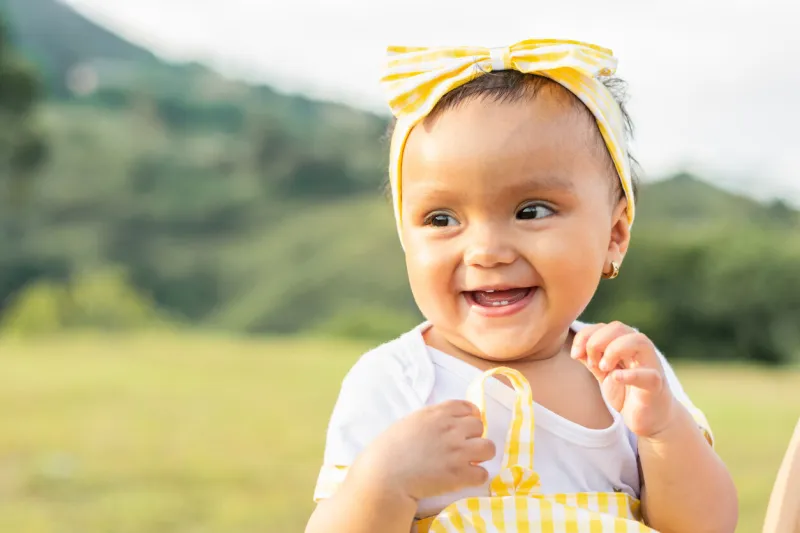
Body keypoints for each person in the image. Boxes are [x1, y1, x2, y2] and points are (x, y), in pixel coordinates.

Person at [305, 39, 738, 533]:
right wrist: (382, 483)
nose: (487, 251)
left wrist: (663, 430)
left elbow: (705, 527)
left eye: (530, 211)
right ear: (406, 238)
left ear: (615, 234)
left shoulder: (625, 373)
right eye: (442, 218)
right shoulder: (397, 381)